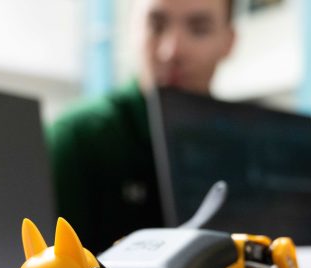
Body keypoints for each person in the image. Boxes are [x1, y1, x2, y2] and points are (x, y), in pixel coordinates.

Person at [47, 0, 235, 252]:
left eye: (199, 28)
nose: (172, 51)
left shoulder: (246, 147)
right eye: (156, 25)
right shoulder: (75, 139)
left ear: (229, 41)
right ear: (131, 28)